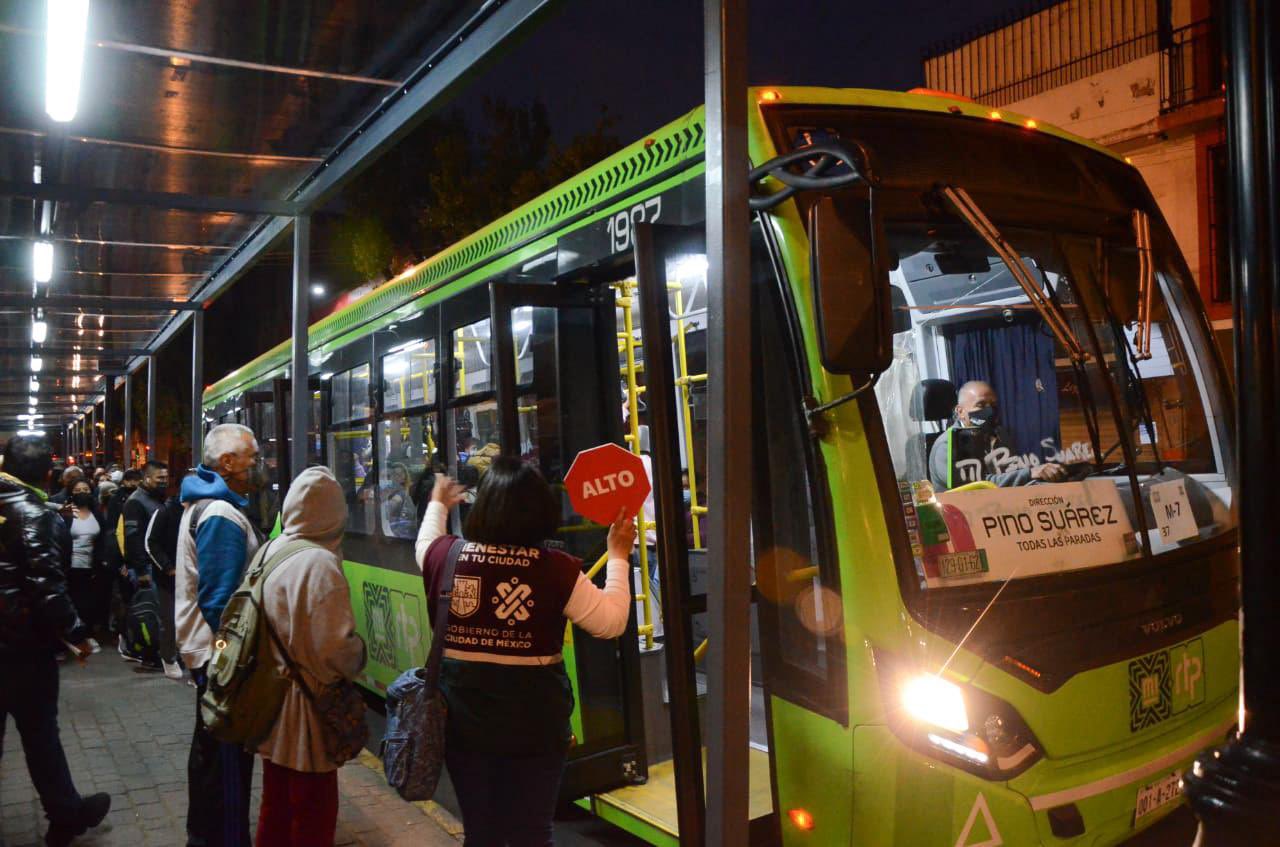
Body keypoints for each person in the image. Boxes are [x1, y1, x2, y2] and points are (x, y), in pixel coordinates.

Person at [415, 457, 634, 847]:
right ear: (541, 515)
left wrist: (439, 504)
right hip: (536, 730)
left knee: (481, 833)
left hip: (464, 728)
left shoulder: (446, 558)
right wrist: (617, 555)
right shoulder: (556, 570)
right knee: (533, 832)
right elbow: (611, 622)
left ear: (482, 509)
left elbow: (424, 544)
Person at [0, 435, 111, 845]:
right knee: (40, 734)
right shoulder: (37, 514)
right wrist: (77, 634)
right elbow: (46, 585)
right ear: (48, 475)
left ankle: (67, 810)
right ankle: (65, 814)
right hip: (23, 650)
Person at [254, 467, 366, 846]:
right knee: (313, 809)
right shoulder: (319, 564)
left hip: (269, 698)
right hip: (307, 710)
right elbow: (334, 649)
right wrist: (358, 654)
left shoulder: (270, 550)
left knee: (277, 803)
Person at [176, 424, 266, 847]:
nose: (257, 463)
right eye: (252, 455)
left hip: (209, 655)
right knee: (227, 762)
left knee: (210, 754)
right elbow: (222, 604)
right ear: (227, 462)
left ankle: (203, 834)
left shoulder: (205, 504)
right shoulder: (220, 515)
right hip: (220, 660)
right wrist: (234, 663)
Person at [928, 380, 1068, 491]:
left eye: (993, 405)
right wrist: (1030, 473)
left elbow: (1011, 476)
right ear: (960, 412)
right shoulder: (949, 444)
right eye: (981, 405)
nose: (989, 411)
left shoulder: (998, 434)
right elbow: (978, 486)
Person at [123, 461, 171, 674]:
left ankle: (157, 654)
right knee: (151, 614)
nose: (164, 482)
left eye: (166, 478)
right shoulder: (136, 502)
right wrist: (141, 570)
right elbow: (132, 537)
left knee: (158, 612)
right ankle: (150, 656)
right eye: (159, 478)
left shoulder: (155, 499)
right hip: (147, 568)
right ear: (147, 478)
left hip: (156, 566)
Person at [145, 475, 192, 682]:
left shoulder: (198, 511)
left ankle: (186, 656)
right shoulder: (165, 511)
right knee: (170, 620)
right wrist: (167, 567)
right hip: (169, 578)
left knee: (188, 620)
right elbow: (150, 542)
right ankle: (168, 657)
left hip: (191, 578)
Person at [62, 479, 108, 647]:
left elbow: (102, 538)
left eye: (85, 489)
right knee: (73, 601)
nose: (82, 492)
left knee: (89, 603)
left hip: (91, 565)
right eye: (78, 489)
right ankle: (70, 637)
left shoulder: (96, 512)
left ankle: (86, 634)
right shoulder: (66, 513)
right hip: (70, 566)